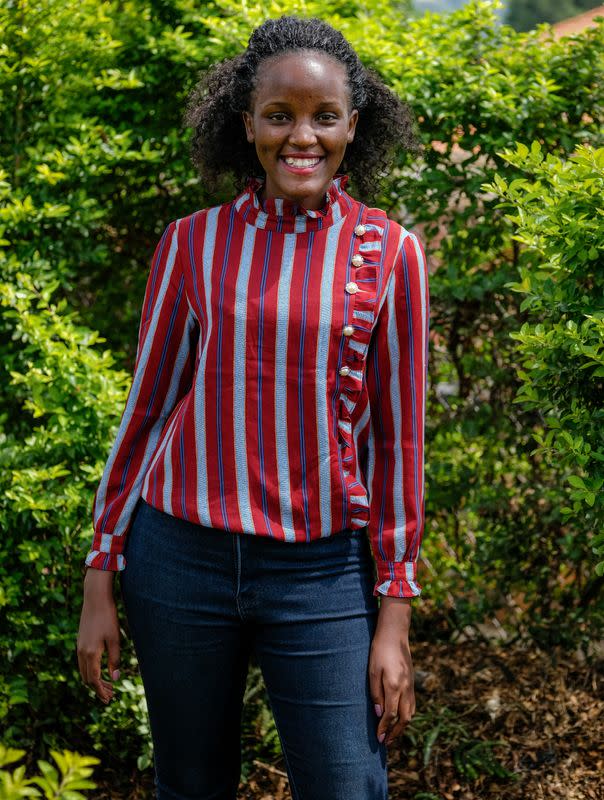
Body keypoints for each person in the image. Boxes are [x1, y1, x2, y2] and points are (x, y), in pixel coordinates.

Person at [77, 14, 430, 800]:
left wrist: (394, 618)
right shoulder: (190, 245)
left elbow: (400, 446)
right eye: (279, 115)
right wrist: (102, 571)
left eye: (323, 116)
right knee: (191, 785)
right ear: (247, 125)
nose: (300, 136)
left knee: (346, 785)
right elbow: (146, 412)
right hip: (178, 563)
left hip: (322, 573)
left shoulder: (393, 254)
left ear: (353, 125)